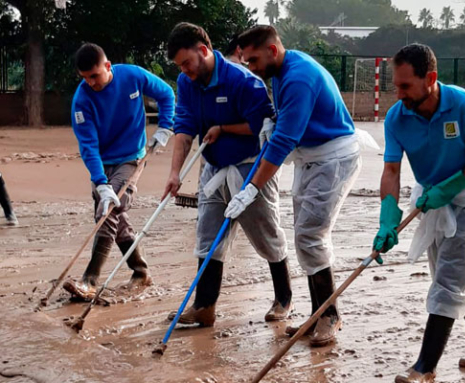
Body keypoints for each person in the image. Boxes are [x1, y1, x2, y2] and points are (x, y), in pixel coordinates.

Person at [372, 43, 465, 383]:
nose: (396, 94)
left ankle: (424, 368)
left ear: (430, 77)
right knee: (451, 273)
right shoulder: (398, 117)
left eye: (404, 86)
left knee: (449, 278)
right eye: (394, 85)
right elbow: (391, 170)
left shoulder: (462, 104)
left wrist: (451, 188)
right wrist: (388, 215)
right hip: (430, 192)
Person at [231, 25, 361, 347]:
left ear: (272, 51)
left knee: (310, 235)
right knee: (305, 234)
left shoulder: (298, 76)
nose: (250, 67)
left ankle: (329, 316)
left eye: (253, 60)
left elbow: (283, 143)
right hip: (310, 156)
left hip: (333, 157)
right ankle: (318, 316)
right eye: (246, 61)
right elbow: (284, 124)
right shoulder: (279, 70)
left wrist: (251, 188)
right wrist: (272, 121)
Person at [163, 22, 292, 327]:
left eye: (186, 63)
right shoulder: (187, 82)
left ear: (203, 51)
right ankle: (205, 306)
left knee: (266, 233)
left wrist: (223, 128)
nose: (184, 71)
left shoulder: (244, 82)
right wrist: (174, 172)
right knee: (208, 236)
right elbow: (184, 128)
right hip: (214, 167)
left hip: (251, 166)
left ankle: (283, 297)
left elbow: (263, 127)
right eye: (179, 66)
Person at [63, 43, 175, 300]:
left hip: (131, 158)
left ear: (107, 66)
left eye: (95, 76)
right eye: (85, 78)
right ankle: (141, 271)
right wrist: (100, 183)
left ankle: (89, 281)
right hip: (101, 162)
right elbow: (88, 146)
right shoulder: (82, 100)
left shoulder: (132, 75)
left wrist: (165, 127)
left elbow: (167, 94)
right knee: (115, 216)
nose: (91, 83)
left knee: (110, 210)